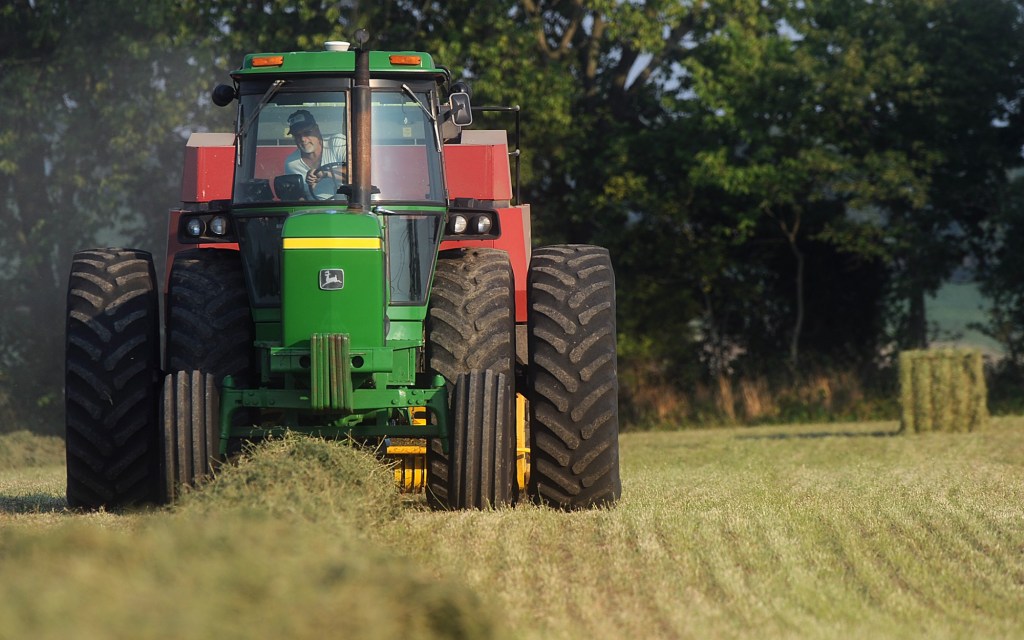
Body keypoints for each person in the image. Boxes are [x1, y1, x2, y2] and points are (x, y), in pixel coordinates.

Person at [283, 109, 347, 199]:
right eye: (297, 135)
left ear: (317, 129)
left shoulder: (337, 143)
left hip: (347, 207)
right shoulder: (291, 164)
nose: (303, 139)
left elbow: (359, 174)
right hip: (313, 209)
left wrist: (325, 173)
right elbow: (296, 198)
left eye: (307, 133)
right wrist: (307, 193)